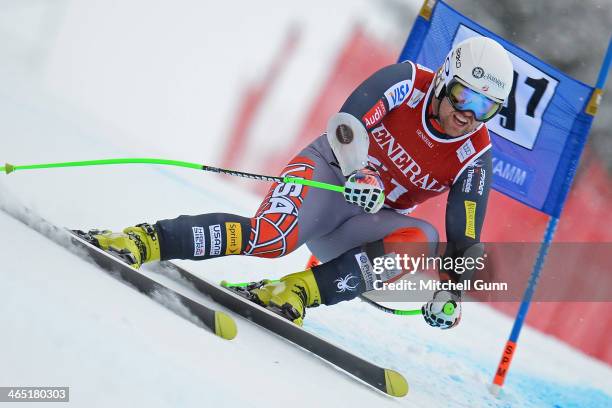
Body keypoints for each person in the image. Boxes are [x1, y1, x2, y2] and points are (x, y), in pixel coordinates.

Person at [88, 36, 514, 328]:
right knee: (271, 239)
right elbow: (347, 123)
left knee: (423, 237)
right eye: (465, 96)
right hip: (329, 178)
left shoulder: (474, 154)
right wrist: (359, 171)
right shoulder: (407, 82)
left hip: (366, 223)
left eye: (486, 108)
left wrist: (452, 293)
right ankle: (145, 239)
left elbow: (465, 238)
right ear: (444, 79)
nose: (469, 114)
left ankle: (295, 291)